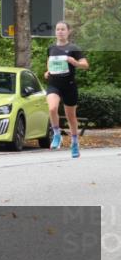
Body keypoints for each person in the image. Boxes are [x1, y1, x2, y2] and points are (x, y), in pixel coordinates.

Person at [44, 21, 89, 158]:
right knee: (52, 108)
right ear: (55, 32)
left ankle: (75, 143)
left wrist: (75, 63)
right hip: (54, 84)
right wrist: (47, 72)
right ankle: (57, 134)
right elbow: (50, 63)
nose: (60, 31)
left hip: (69, 86)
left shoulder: (73, 48)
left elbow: (85, 65)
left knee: (71, 117)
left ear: (68, 31)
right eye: (58, 29)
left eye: (63, 29)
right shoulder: (51, 48)